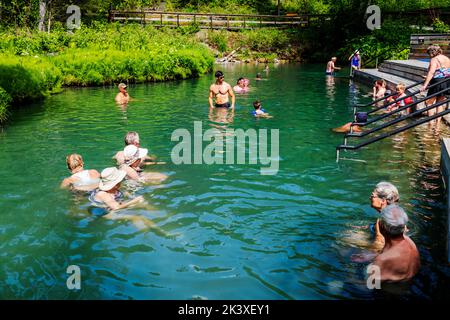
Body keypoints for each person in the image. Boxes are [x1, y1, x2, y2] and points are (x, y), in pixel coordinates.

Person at [369, 204, 420, 282]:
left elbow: (369, 286)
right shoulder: (411, 243)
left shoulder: (381, 260)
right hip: (408, 284)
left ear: (382, 227)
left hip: (389, 291)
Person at [420, 45, 450, 120]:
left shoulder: (434, 59)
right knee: (439, 103)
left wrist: (425, 85)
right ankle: (437, 126)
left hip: (437, 82)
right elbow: (443, 72)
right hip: (447, 81)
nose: (429, 56)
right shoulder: (447, 58)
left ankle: (430, 123)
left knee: (428, 102)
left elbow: (431, 72)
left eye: (429, 54)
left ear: (432, 52)